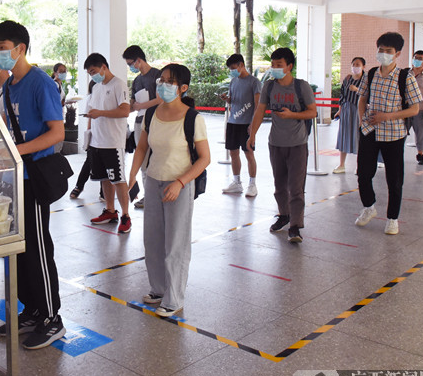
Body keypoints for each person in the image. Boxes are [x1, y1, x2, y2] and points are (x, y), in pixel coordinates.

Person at [0, 20, 66, 350]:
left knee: (37, 248)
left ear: (20, 48)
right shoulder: (10, 85)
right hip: (13, 177)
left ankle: (51, 317)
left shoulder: (40, 83)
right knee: (19, 249)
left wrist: (15, 151)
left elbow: (56, 133)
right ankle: (32, 310)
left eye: (2, 48)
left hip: (33, 177)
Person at [128, 64, 210, 318]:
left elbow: (204, 158)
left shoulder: (193, 118)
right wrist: (132, 175)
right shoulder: (152, 113)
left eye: (169, 81)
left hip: (179, 185)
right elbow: (142, 148)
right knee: (152, 240)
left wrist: (180, 182)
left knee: (176, 243)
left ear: (183, 88)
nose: (162, 85)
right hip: (153, 181)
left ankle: (174, 298)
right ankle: (159, 289)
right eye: (161, 80)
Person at [355, 32, 422, 236]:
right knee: (363, 174)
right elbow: (362, 99)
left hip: (394, 134)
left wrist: (387, 116)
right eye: (381, 50)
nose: (383, 54)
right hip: (370, 131)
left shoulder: (405, 77)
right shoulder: (371, 74)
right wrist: (361, 121)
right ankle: (369, 207)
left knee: (394, 179)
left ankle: (392, 218)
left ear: (397, 53)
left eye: (388, 51)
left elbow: (414, 109)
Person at [248, 48, 317, 243]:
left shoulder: (301, 86)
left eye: (279, 65)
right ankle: (284, 215)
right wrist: (252, 135)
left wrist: (292, 115)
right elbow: (260, 110)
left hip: (297, 144)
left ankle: (295, 226)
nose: (274, 68)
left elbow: (313, 112)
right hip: (276, 143)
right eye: (273, 65)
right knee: (279, 186)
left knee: (296, 187)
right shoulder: (269, 86)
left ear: (289, 66)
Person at [84, 53, 133, 234]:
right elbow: (94, 110)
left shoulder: (118, 85)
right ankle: (110, 211)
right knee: (104, 178)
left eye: (93, 71)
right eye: (90, 73)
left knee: (118, 179)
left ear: (103, 67)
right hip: (97, 141)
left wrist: (101, 113)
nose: (93, 76)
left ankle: (125, 216)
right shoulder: (96, 88)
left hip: (113, 142)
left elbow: (125, 111)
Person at [122, 45, 162, 208]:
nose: (130, 67)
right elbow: (132, 105)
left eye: (130, 63)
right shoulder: (137, 80)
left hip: (155, 121)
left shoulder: (157, 75)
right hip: (140, 122)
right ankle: (148, 195)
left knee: (156, 158)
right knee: (143, 160)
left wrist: (141, 105)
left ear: (138, 60)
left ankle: (158, 194)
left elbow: (160, 99)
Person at [219, 54, 260, 197]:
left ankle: (252, 184)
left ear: (241, 65)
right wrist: (227, 99)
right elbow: (233, 100)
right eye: (230, 69)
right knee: (233, 153)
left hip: (246, 123)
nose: (232, 71)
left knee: (249, 153)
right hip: (233, 122)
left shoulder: (254, 82)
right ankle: (236, 183)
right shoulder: (233, 81)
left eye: (233, 68)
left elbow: (258, 105)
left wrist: (253, 124)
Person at [334, 57, 366, 174]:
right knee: (344, 135)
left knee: (358, 137)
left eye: (358, 64)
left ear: (363, 66)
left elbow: (368, 95)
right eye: (353, 64)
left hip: (359, 110)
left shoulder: (366, 79)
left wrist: (357, 89)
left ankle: (360, 165)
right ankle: (341, 164)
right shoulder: (347, 79)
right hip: (347, 109)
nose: (355, 67)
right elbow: (342, 96)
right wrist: (340, 110)